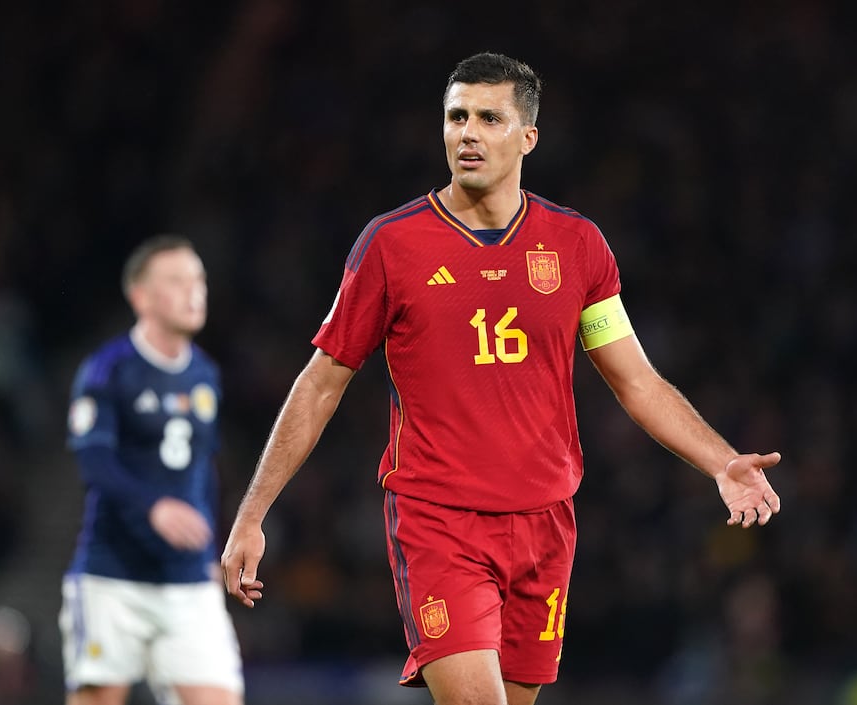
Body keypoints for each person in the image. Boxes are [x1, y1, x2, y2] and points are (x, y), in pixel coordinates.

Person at [220, 52, 782, 705]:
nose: (468, 132)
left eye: (489, 118)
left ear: (527, 137)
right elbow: (321, 382)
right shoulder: (391, 246)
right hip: (440, 521)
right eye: (456, 116)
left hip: (546, 526)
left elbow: (637, 381)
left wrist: (720, 461)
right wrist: (253, 513)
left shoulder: (577, 247)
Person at [59, 236, 244, 705]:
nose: (194, 292)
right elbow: (94, 460)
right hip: (111, 577)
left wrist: (210, 550)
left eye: (199, 279)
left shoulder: (205, 374)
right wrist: (153, 507)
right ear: (140, 296)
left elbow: (203, 468)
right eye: (177, 281)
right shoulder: (107, 370)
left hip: (185, 581)